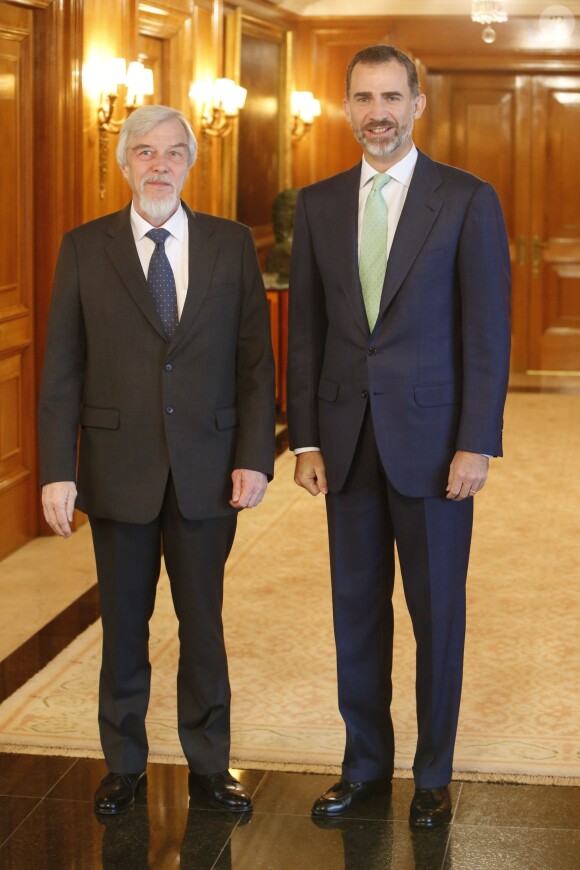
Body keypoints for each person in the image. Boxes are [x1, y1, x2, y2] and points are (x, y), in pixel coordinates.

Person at [287, 45, 510, 828]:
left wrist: (476, 442)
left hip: (436, 448)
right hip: (345, 445)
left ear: (419, 104)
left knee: (435, 613)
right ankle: (365, 767)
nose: (377, 111)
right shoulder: (316, 205)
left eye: (391, 96)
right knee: (357, 611)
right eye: (362, 97)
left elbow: (487, 331)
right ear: (346, 107)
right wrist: (305, 439)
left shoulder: (467, 200)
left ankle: (434, 775)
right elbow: (306, 334)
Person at [39, 105, 276, 816]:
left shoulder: (232, 244)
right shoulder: (84, 247)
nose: (160, 165)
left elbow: (255, 364)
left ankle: (209, 764)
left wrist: (255, 457)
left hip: (210, 469)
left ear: (191, 162)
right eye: (144, 152)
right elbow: (61, 370)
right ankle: (124, 763)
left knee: (203, 623)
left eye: (174, 152)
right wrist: (58, 468)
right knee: (123, 624)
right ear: (123, 165)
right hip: (118, 470)